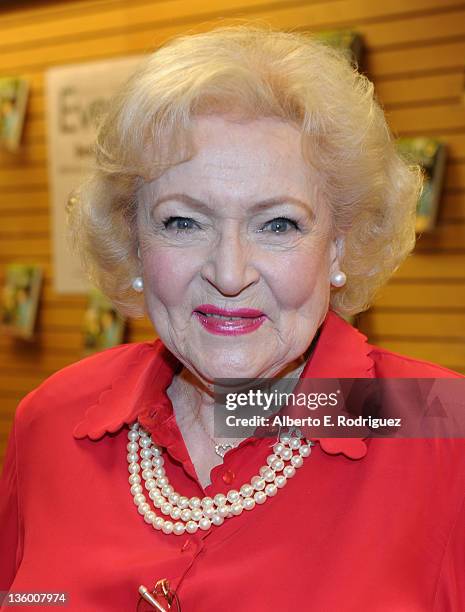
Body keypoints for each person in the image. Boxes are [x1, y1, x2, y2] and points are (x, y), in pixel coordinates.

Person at [1, 25, 464, 612]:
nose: (228, 272)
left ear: (339, 248)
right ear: (134, 240)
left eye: (278, 225)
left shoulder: (447, 433)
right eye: (182, 222)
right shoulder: (52, 418)